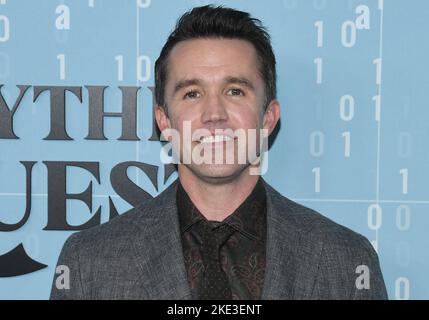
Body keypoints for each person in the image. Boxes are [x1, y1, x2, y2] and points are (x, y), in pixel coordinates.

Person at [50, 5, 387, 300]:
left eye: (235, 90)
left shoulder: (346, 262)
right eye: (192, 93)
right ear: (164, 120)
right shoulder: (88, 264)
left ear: (268, 117)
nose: (215, 114)